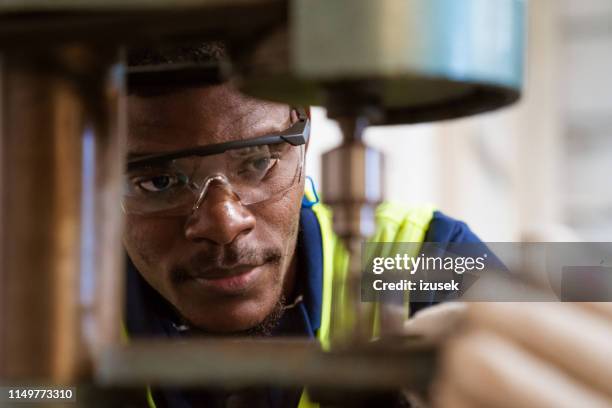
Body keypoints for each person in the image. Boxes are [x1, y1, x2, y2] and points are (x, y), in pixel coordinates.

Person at [121, 43, 485, 408]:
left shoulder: (426, 255)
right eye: (158, 182)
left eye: (259, 161)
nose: (225, 224)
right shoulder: (68, 312)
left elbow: (533, 314)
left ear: (305, 132)